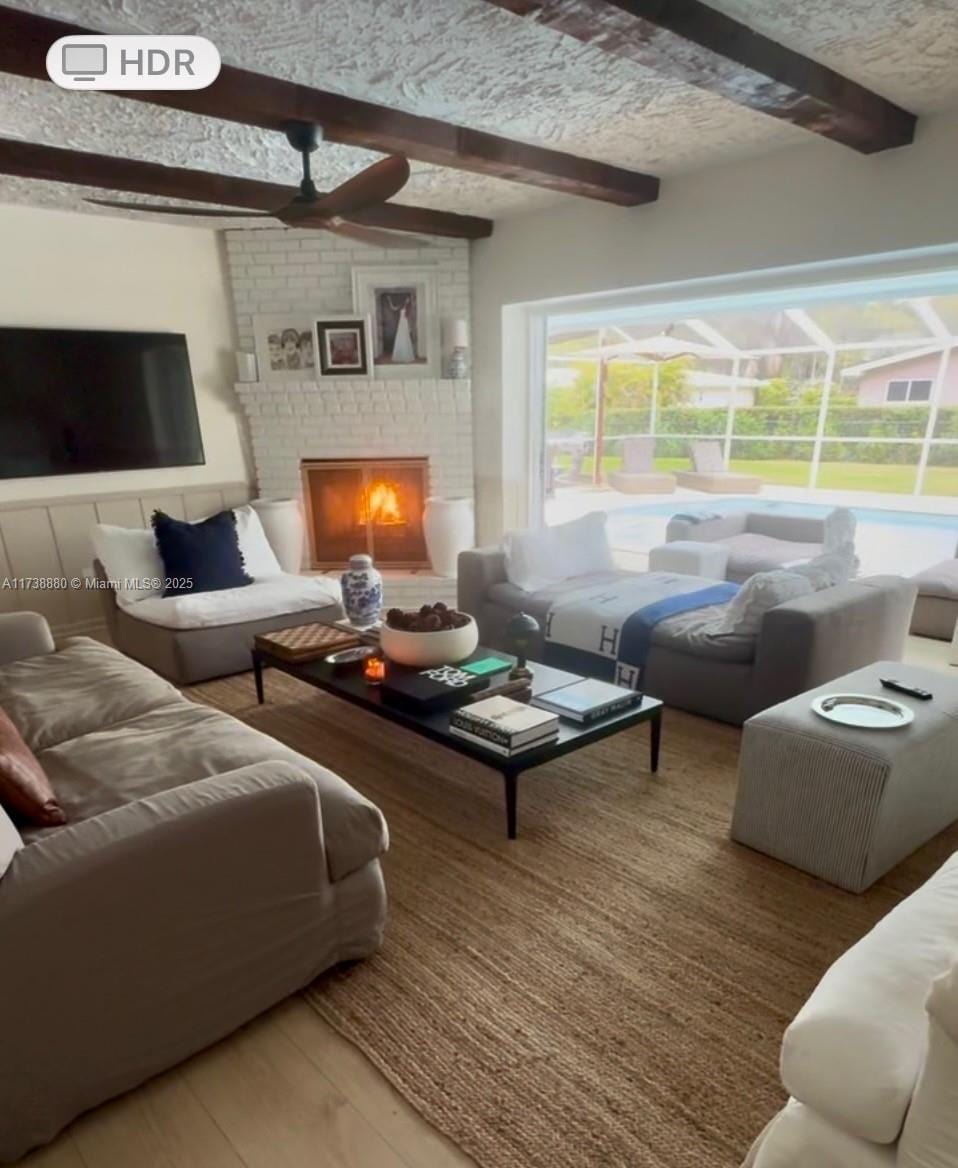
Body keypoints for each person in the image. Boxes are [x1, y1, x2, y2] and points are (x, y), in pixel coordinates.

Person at [384, 293, 416, 363]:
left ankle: (406, 356)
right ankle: (400, 356)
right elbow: (393, 307)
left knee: (405, 337)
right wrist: (389, 300)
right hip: (401, 323)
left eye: (408, 299)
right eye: (406, 298)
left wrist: (410, 327)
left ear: (409, 300)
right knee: (400, 337)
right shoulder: (401, 306)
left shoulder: (409, 307)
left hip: (405, 323)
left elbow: (410, 318)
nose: (407, 300)